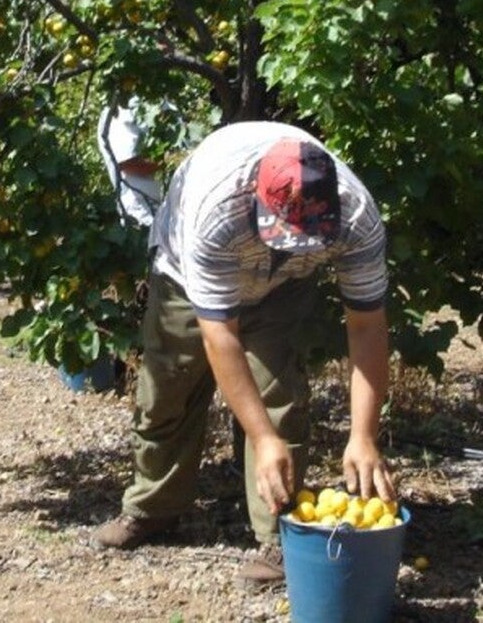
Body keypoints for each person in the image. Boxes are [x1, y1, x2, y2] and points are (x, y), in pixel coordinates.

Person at [91, 121, 398, 588]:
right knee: (166, 392)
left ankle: (279, 539)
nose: (293, 242)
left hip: (284, 285)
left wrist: (363, 435)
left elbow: (367, 325)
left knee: (280, 400)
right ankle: (153, 509)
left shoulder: (357, 218)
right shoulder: (217, 210)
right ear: (256, 198)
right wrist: (261, 438)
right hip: (184, 276)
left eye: (309, 234)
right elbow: (220, 338)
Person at [96, 98, 162, 228]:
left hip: (162, 206)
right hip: (143, 209)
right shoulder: (120, 111)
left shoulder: (151, 97)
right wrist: (170, 162)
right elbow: (127, 163)